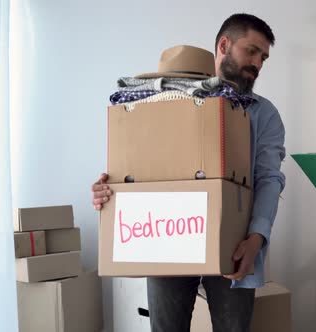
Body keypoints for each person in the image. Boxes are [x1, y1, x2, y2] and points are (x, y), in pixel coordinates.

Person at [91, 13, 286, 332]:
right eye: (251, 51)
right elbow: (139, 168)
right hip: (169, 235)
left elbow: (269, 179)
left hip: (235, 242)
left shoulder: (263, 114)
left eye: (263, 57)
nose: (258, 63)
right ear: (225, 45)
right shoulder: (158, 103)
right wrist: (110, 192)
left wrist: (256, 239)